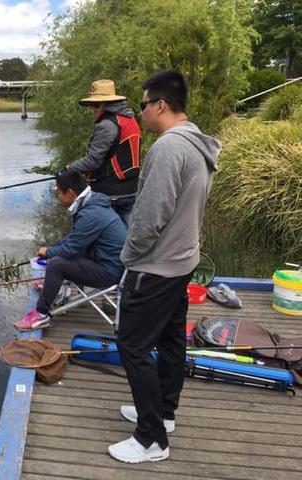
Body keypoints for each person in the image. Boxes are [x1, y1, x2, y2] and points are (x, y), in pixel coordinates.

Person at [108, 70, 221, 463]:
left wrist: (129, 258)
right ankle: (164, 412)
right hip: (183, 261)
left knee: (132, 346)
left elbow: (149, 217)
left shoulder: (168, 148)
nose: (138, 114)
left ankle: (151, 439)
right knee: (171, 340)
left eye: (141, 106)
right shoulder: (198, 143)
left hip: (156, 267)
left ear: (160, 105)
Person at [14, 170, 127, 331]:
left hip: (110, 272)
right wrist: (51, 250)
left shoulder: (91, 214)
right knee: (59, 254)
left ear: (71, 192)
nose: (58, 196)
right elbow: (74, 239)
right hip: (108, 262)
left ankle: (42, 314)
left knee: (56, 264)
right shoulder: (93, 203)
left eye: (59, 192)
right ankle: (53, 285)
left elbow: (71, 248)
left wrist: (48, 252)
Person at [66, 79, 141, 227]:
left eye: (96, 105)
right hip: (132, 189)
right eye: (91, 105)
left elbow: (93, 160)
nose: (92, 109)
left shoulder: (107, 125)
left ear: (108, 105)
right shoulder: (130, 120)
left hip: (110, 193)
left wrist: (69, 168)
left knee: (103, 239)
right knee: (127, 238)